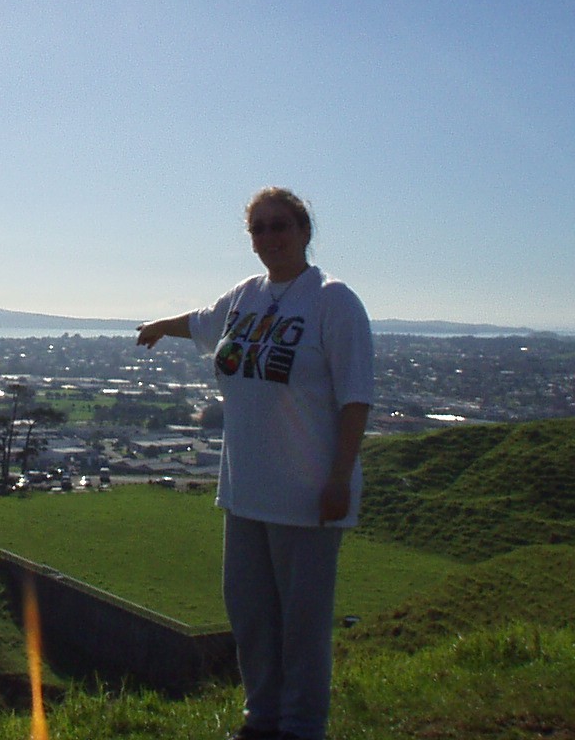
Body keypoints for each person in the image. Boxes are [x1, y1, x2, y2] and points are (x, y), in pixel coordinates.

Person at [136, 187, 373, 740]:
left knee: (303, 624)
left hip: (307, 495)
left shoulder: (333, 301)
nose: (269, 237)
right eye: (259, 228)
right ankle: (260, 719)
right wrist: (157, 327)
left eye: (280, 225)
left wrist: (339, 480)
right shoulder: (246, 295)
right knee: (251, 619)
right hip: (244, 493)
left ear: (304, 230)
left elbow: (356, 398)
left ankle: (301, 727)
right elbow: (202, 321)